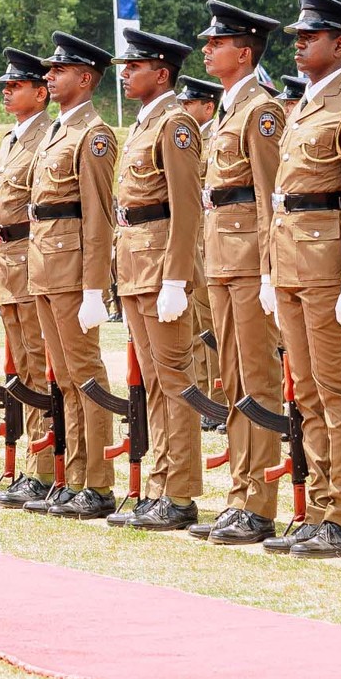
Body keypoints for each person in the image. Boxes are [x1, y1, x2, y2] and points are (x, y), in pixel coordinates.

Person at [264, 0, 341, 560]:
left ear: (340, 45)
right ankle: (318, 509)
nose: (299, 44)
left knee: (337, 394)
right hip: (291, 263)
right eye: (298, 37)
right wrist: (270, 268)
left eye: (311, 37)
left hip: (328, 268)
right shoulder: (303, 107)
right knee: (307, 394)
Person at [190, 1, 285, 545]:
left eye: (217, 43)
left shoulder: (260, 111)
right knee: (233, 380)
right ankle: (240, 491)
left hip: (249, 261)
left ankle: (259, 502)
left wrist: (270, 270)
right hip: (223, 261)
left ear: (244, 53)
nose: (207, 50)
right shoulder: (228, 109)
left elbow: (271, 197)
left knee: (257, 379)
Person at [109, 28, 206, 531]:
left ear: (162, 73)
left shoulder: (175, 124)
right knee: (153, 382)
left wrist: (176, 278)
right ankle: (160, 484)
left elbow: (186, 207)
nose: (125, 74)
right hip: (135, 264)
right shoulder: (145, 123)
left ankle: (180, 491)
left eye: (135, 66)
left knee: (173, 380)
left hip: (159, 266)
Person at [27, 31, 119, 520]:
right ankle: (76, 475)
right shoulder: (57, 131)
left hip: (71, 270)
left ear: (85, 79)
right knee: (63, 378)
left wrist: (94, 288)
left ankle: (98, 482)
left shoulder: (93, 134)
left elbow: (97, 216)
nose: (49, 76)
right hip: (46, 267)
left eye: (59, 70)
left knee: (85, 374)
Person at [0, 49, 58, 508]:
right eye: (5, 87)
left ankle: (47, 466)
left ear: (40, 93)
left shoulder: (45, 137)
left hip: (34, 257)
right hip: (8, 260)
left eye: (16, 86)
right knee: (24, 368)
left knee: (41, 363)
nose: (6, 93)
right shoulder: (12, 139)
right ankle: (34, 464)